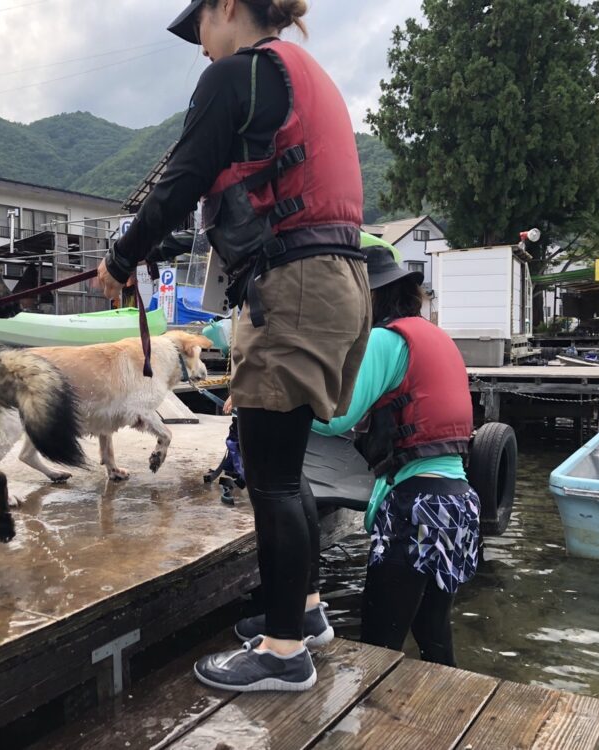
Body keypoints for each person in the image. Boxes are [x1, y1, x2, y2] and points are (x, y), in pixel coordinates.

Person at [96, 0, 370, 692]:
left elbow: (178, 182)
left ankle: (282, 655)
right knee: (288, 464)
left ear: (226, 9)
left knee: (271, 475)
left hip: (294, 287)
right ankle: (302, 616)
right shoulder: (301, 71)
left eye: (203, 32)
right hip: (339, 280)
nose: (202, 50)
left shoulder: (239, 75)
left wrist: (121, 260)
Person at [312, 246, 480, 667]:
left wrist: (275, 413)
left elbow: (336, 417)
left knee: (376, 646)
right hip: (458, 505)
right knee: (432, 634)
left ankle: (375, 729)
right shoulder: (437, 337)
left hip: (416, 509)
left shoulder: (385, 340)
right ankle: (445, 721)